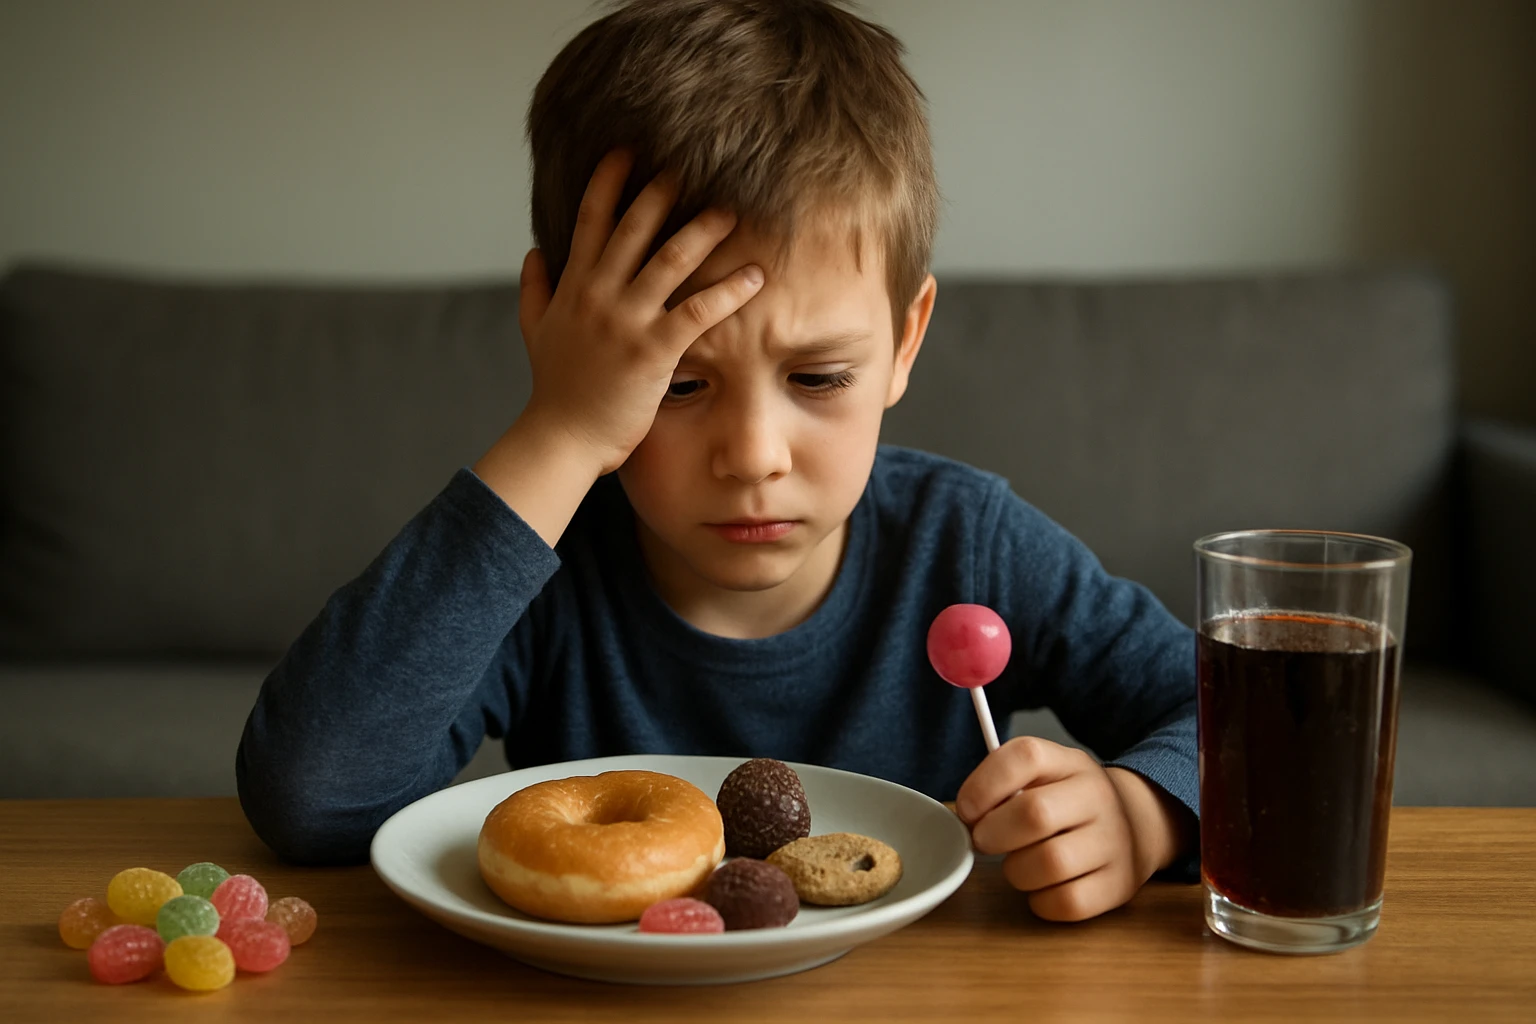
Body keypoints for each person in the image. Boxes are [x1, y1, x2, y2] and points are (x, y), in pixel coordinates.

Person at [237, 0, 1197, 922]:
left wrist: (1143, 813)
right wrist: (560, 433)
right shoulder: (543, 568)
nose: (753, 457)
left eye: (819, 378)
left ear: (905, 343)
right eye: (677, 385)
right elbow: (313, 799)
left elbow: (1248, 725)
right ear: (557, 337)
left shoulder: (969, 544)